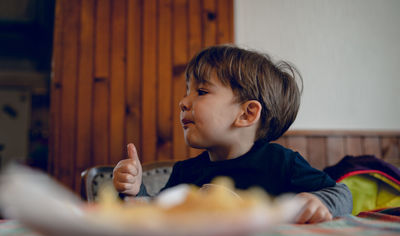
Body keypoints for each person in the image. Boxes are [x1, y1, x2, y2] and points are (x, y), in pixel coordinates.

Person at [113, 45, 352, 224]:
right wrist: (135, 191)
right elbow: (157, 216)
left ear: (247, 114)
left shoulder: (282, 164)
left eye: (202, 91)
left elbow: (341, 194)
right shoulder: (185, 172)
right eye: (187, 92)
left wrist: (321, 202)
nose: (183, 102)